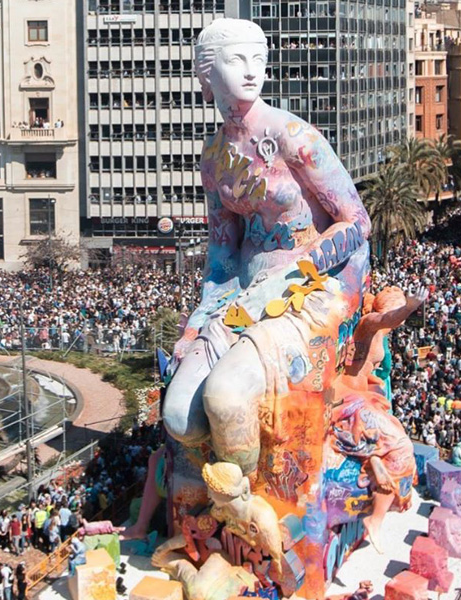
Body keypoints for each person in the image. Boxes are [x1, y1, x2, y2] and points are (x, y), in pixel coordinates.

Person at [162, 18, 371, 477]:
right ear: (207, 75)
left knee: (225, 397)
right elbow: (221, 256)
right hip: (242, 294)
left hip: (307, 290)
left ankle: (242, 505)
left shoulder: (293, 136)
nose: (251, 70)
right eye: (237, 59)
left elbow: (357, 221)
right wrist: (197, 324)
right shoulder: (213, 158)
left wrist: (290, 277)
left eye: (258, 59)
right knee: (180, 417)